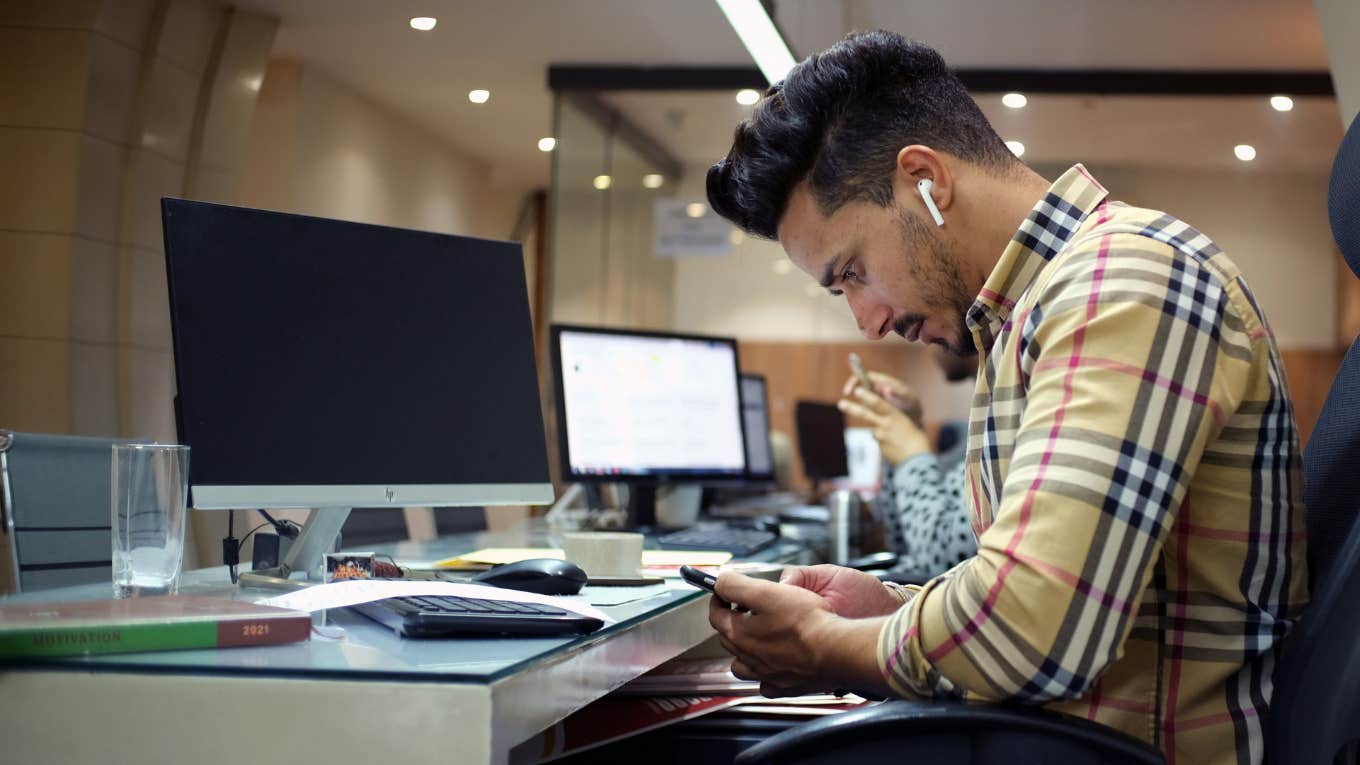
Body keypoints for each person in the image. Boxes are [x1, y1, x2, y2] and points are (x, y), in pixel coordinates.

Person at [703, 30, 1306, 765]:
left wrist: (829, 645)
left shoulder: (1126, 283)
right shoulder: (1028, 318)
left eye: (853, 271)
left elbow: (1032, 626)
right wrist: (885, 607)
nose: (868, 321)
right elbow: (1031, 578)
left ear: (926, 179)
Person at [840, 350, 977, 577]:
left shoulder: (1007, 424)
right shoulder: (976, 429)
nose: (921, 343)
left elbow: (945, 564)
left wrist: (913, 457)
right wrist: (908, 431)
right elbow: (902, 541)